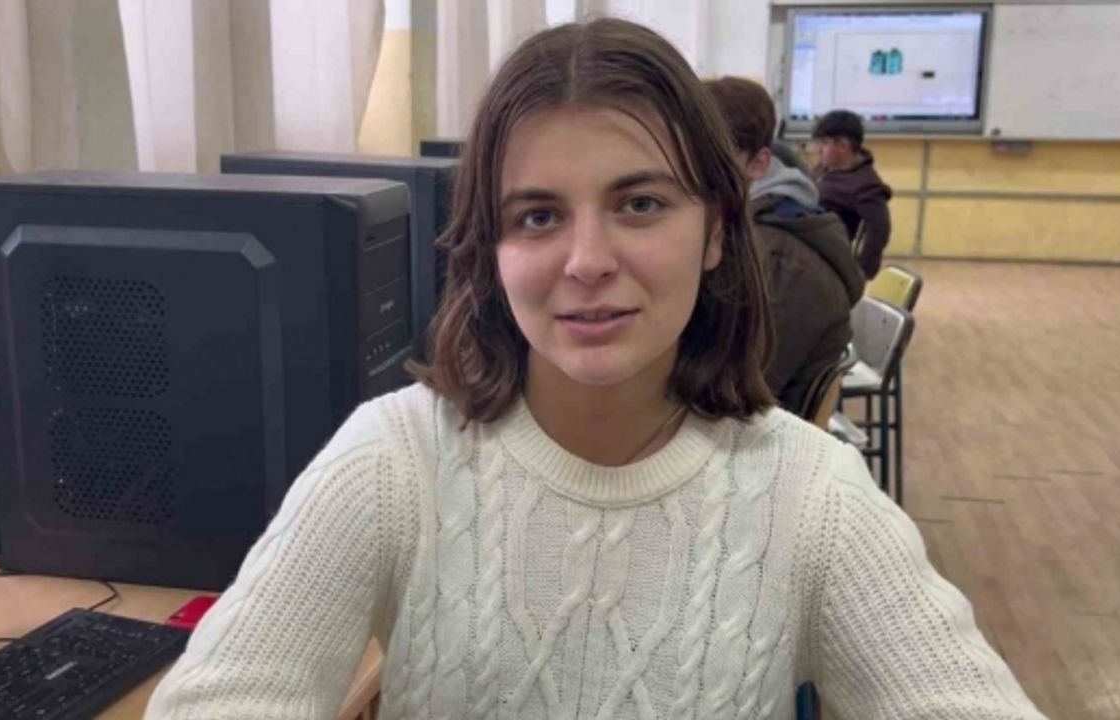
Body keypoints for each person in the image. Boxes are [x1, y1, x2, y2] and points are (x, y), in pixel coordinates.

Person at [146, 18, 1045, 720]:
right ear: (492, 249)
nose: (586, 261)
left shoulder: (811, 498)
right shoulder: (393, 460)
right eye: (538, 216)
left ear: (716, 231)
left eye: (640, 204)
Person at [706, 77, 863, 416]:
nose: (693, 173)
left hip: (756, 436)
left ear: (759, 164)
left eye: (714, 159)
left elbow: (740, 395)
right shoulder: (742, 225)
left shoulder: (782, 263)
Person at [811, 109, 893, 279]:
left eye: (824, 143)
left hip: (820, 257)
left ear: (843, 146)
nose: (818, 150)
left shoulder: (866, 186)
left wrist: (861, 273)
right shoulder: (824, 168)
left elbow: (879, 230)